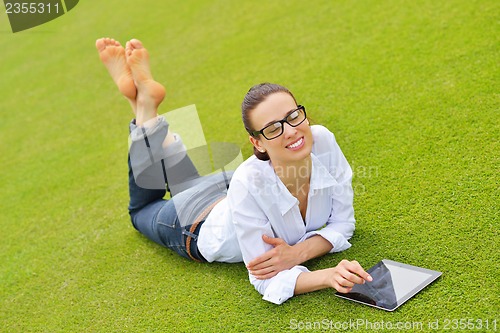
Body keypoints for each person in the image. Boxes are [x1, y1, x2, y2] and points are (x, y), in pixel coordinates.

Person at [96, 37, 372, 305]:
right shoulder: (247, 180)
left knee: (191, 182)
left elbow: (344, 223)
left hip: (233, 188)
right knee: (142, 210)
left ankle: (145, 107)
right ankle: (144, 108)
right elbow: (263, 279)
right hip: (199, 221)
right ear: (257, 142)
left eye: (293, 116)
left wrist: (297, 253)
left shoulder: (321, 140)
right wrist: (327, 275)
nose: (291, 131)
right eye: (274, 128)